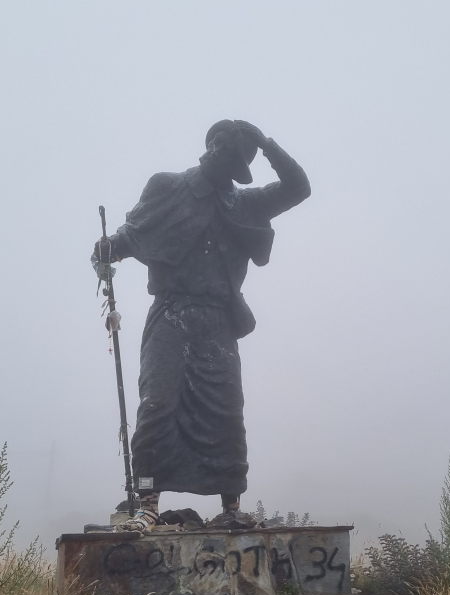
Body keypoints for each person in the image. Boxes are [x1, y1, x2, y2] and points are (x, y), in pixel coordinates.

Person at [92, 120, 310, 532]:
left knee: (226, 411)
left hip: (218, 321)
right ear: (210, 147)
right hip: (171, 313)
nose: (221, 158)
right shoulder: (168, 186)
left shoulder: (246, 204)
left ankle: (231, 509)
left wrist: (265, 143)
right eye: (220, 148)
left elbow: (298, 187)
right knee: (157, 403)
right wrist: (110, 249)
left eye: (233, 156)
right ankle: (148, 503)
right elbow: (135, 232)